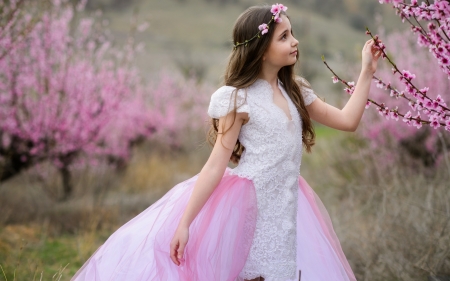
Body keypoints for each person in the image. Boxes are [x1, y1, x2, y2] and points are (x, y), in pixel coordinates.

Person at [71, 3, 381, 281]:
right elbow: (215, 165)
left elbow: (347, 121)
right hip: (246, 211)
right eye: (283, 36)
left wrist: (366, 70)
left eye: (292, 33)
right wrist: (185, 223)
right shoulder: (238, 98)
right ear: (260, 48)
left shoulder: (296, 90)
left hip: (286, 212)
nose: (295, 41)